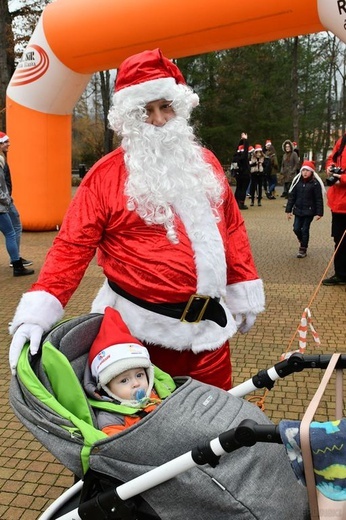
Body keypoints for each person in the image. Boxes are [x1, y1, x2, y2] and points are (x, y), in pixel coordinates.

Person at [9, 49, 265, 390]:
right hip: (138, 344)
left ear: (180, 108)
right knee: (149, 437)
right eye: (146, 111)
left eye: (165, 106)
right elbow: (72, 245)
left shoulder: (205, 163)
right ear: (129, 118)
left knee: (217, 427)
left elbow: (231, 227)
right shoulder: (105, 176)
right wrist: (38, 314)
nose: (158, 120)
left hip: (210, 338)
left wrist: (242, 284)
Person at [84, 307, 176, 436]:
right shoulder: (110, 418)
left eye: (139, 375)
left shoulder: (157, 393)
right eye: (124, 380)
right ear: (107, 388)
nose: (136, 383)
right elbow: (119, 446)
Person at [0, 132, 33, 268]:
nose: (9, 144)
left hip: (6, 201)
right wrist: (6, 199)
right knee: (10, 232)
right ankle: (16, 262)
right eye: (6, 142)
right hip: (3, 203)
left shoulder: (2, 159)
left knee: (15, 227)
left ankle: (16, 258)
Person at [285, 160, 324, 258]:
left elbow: (318, 199)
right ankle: (302, 239)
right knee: (296, 228)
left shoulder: (315, 184)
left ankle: (303, 249)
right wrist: (288, 210)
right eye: (303, 170)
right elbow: (292, 197)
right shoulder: (297, 183)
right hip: (298, 210)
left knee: (305, 229)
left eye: (307, 170)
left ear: (311, 172)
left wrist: (320, 213)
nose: (305, 173)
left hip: (309, 211)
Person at [322, 133, 346, 285]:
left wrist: (342, 179)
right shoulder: (342, 140)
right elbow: (331, 158)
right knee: (338, 239)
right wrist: (330, 168)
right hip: (338, 203)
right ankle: (341, 274)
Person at [232, 132, 251, 210]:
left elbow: (238, 148)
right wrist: (245, 140)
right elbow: (246, 152)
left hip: (238, 174)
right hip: (244, 173)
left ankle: (236, 202)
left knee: (238, 187)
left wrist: (241, 141)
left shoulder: (235, 156)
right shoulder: (243, 157)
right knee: (243, 188)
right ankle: (241, 203)